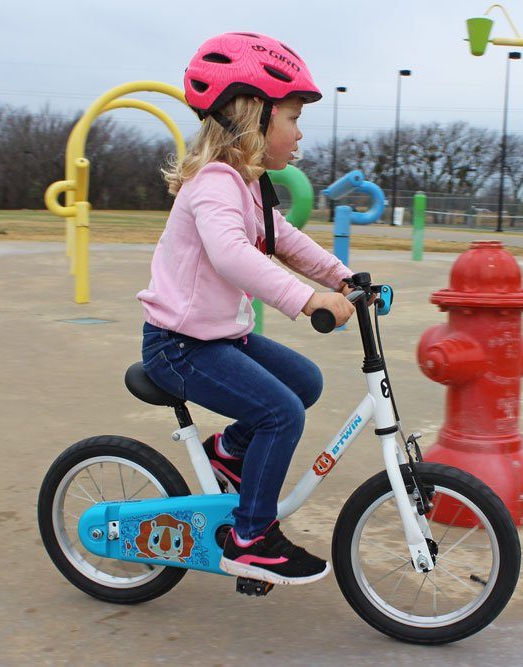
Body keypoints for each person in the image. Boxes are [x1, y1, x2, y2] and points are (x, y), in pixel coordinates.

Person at [137, 32, 356, 586]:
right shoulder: (213, 182)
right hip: (178, 345)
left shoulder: (250, 187)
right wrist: (307, 300)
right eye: (292, 116)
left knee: (304, 381)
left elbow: (282, 239)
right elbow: (231, 254)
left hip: (216, 339)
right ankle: (250, 538)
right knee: (282, 413)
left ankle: (228, 453)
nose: (300, 132)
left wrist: (344, 278)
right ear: (253, 117)